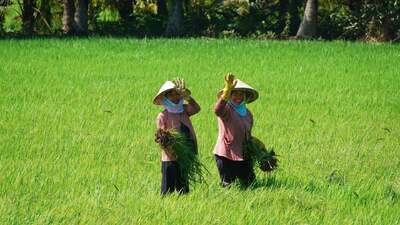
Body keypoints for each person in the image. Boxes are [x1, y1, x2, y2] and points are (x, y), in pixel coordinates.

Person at [153, 78, 201, 195]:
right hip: (170, 158)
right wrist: (172, 153)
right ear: (165, 97)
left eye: (177, 94)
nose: (175, 97)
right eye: (171, 95)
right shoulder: (163, 116)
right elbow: (162, 139)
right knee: (167, 189)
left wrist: (187, 97)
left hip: (185, 155)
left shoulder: (183, 110)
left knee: (183, 188)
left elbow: (196, 108)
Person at [213, 73, 259, 187]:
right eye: (234, 93)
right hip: (226, 154)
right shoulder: (227, 109)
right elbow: (217, 110)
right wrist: (227, 91)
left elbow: (247, 134)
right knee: (228, 184)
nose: (238, 96)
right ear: (229, 95)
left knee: (250, 183)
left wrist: (259, 149)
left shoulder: (248, 114)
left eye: (241, 94)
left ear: (245, 96)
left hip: (243, 153)